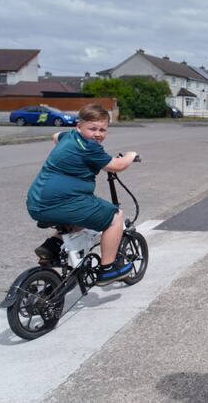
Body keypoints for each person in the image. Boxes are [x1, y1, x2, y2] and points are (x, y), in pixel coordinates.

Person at [27, 104, 138, 286]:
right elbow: (117, 165)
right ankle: (108, 269)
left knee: (80, 217)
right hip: (62, 202)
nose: (98, 134)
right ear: (79, 126)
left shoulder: (69, 136)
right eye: (92, 128)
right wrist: (131, 155)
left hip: (37, 202)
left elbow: (55, 136)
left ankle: (51, 247)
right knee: (115, 217)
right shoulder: (89, 147)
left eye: (102, 130)